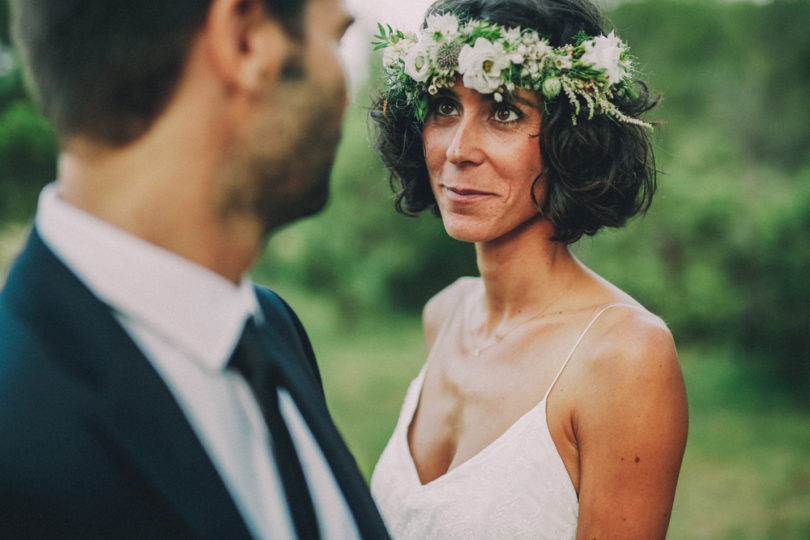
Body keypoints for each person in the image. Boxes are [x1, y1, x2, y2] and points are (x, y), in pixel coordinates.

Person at [0, 0, 389, 538]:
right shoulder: (17, 438)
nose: (344, 87)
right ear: (247, 40)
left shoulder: (274, 331)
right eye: (335, 39)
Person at [368, 0, 688, 538]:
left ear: (570, 139)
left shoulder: (625, 357)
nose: (458, 149)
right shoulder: (443, 315)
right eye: (444, 105)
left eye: (504, 112)